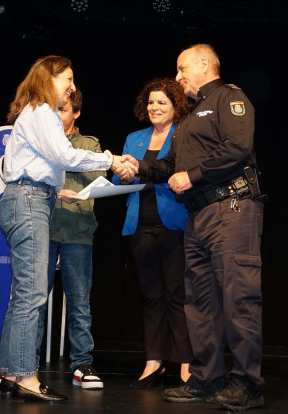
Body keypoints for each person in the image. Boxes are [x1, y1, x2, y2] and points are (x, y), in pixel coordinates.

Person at [122, 44, 266, 411]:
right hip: (198, 217)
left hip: (232, 209)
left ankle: (248, 383)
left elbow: (237, 148)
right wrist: (137, 167)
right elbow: (170, 165)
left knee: (238, 298)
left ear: (205, 64)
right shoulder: (187, 118)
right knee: (199, 302)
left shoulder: (229, 98)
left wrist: (194, 175)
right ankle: (206, 378)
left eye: (182, 68)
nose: (178, 76)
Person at [0, 55, 132, 402]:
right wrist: (111, 160)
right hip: (28, 200)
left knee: (23, 294)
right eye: (67, 79)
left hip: (28, 198)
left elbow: (44, 162)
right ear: (48, 77)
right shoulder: (41, 110)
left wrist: (58, 190)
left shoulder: (34, 112)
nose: (72, 86)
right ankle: (26, 377)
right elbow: (65, 156)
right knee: (32, 293)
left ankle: (12, 372)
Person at [113, 78, 193, 388]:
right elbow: (122, 182)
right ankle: (154, 361)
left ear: (176, 106)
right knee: (151, 297)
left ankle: (186, 363)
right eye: (150, 102)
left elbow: (177, 172)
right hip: (139, 226)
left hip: (175, 224)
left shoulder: (184, 135)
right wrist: (120, 173)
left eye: (161, 102)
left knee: (178, 296)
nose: (154, 107)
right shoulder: (134, 138)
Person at [38, 88, 105, 389]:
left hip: (78, 229)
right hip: (45, 228)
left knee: (79, 301)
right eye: (54, 110)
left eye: (63, 110)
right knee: (36, 299)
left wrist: (73, 187)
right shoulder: (41, 140)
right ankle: (29, 362)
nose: (57, 115)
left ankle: (82, 364)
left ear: (75, 113)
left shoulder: (89, 144)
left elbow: (99, 177)